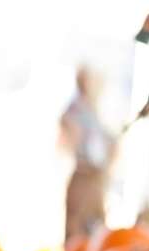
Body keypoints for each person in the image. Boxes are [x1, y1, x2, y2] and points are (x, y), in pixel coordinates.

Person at [60, 67, 115, 241]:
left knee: (95, 228)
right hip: (84, 175)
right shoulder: (76, 108)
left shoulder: (94, 110)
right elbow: (68, 133)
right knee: (77, 229)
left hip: (96, 178)